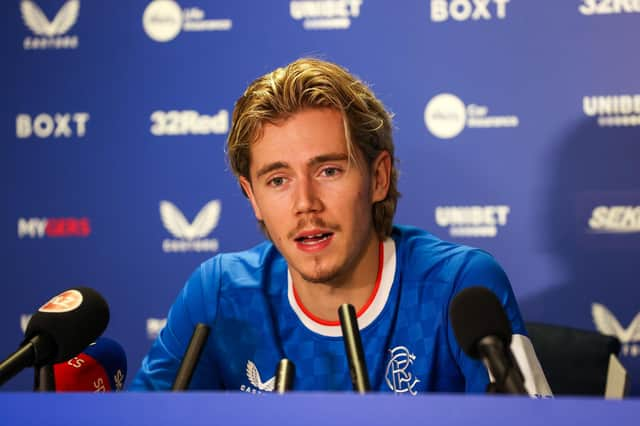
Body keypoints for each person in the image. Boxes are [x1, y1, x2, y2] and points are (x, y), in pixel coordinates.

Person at [131, 58, 551, 395]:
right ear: (252, 196)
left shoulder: (458, 284)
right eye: (278, 180)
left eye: (329, 170)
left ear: (379, 177)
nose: (305, 204)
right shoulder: (219, 292)